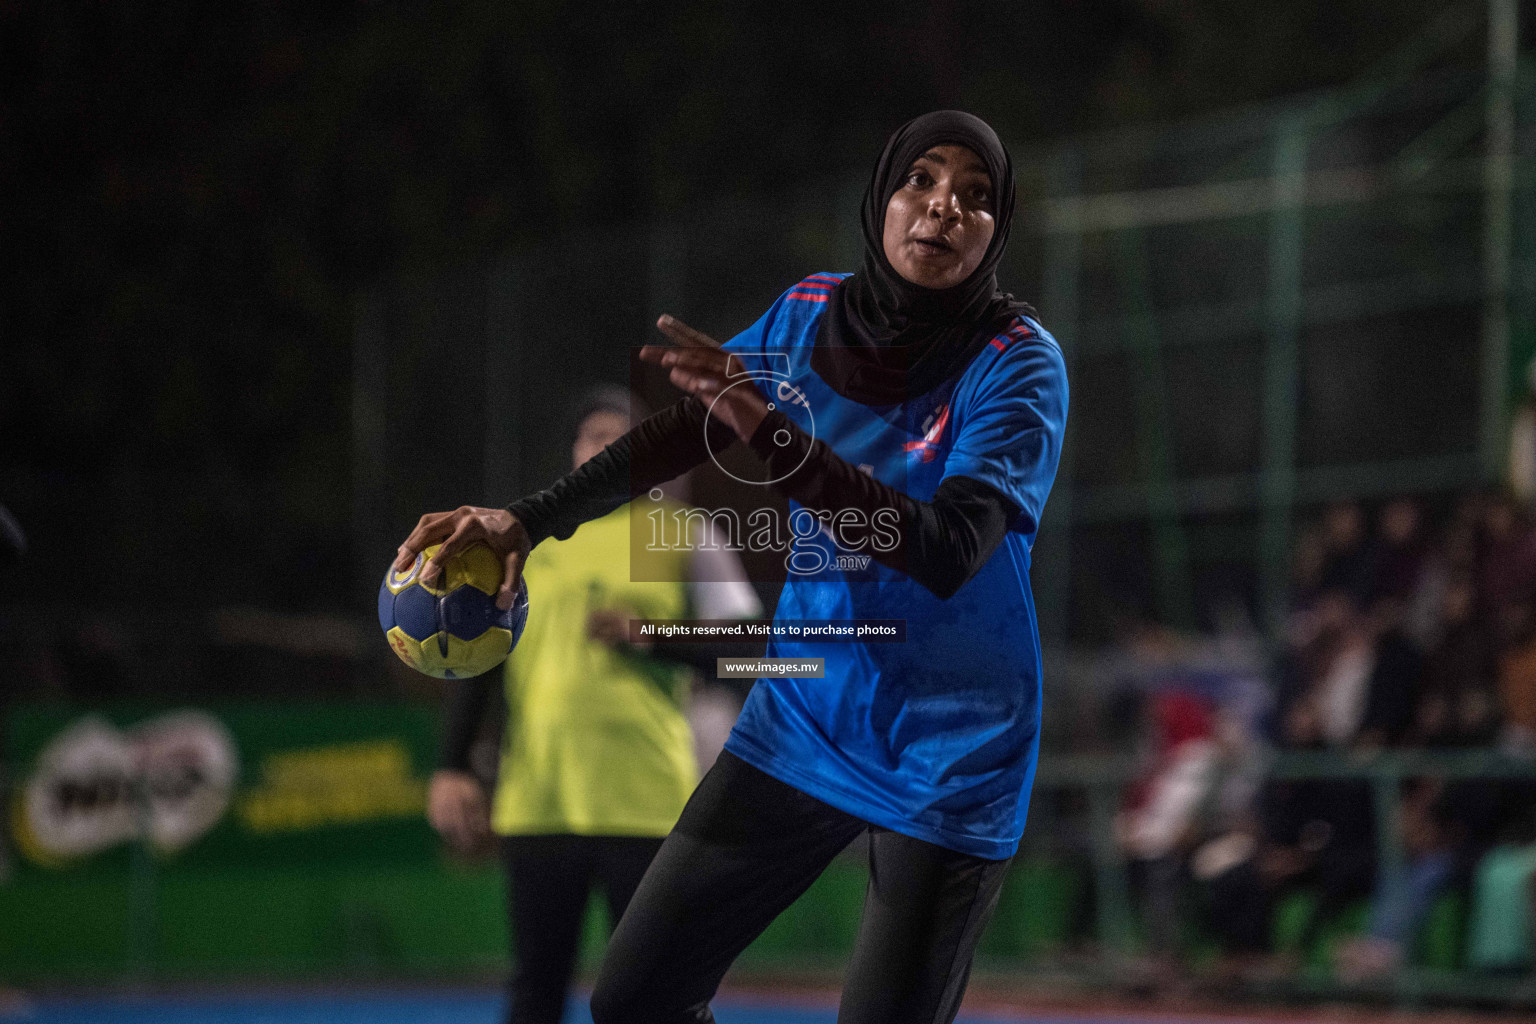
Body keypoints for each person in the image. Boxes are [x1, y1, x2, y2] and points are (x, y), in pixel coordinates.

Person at [396, 110, 1068, 1023]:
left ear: (998, 229)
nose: (945, 207)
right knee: (635, 998)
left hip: (950, 746)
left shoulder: (1016, 365)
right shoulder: (806, 313)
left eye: (976, 196)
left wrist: (779, 442)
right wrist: (526, 518)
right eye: (922, 179)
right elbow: (687, 428)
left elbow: (946, 553)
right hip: (806, 716)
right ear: (881, 198)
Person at [428, 387, 761, 1024]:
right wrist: (453, 766)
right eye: (592, 436)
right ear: (574, 451)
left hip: (649, 801)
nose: (603, 446)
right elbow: (480, 661)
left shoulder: (683, 533)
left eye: (620, 436)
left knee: (654, 998)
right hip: (540, 800)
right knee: (534, 992)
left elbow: (753, 649)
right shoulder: (528, 542)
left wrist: (655, 636)